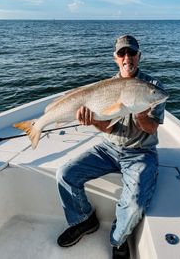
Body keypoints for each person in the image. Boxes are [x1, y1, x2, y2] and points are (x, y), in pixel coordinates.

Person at [56, 35, 167, 258]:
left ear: (139, 56)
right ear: (116, 58)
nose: (127, 57)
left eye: (132, 52)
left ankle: (118, 240)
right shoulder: (107, 86)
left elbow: (151, 128)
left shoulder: (152, 87)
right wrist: (94, 120)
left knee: (134, 202)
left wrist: (141, 116)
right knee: (65, 173)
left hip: (140, 153)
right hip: (109, 149)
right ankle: (84, 220)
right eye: (122, 53)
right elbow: (108, 128)